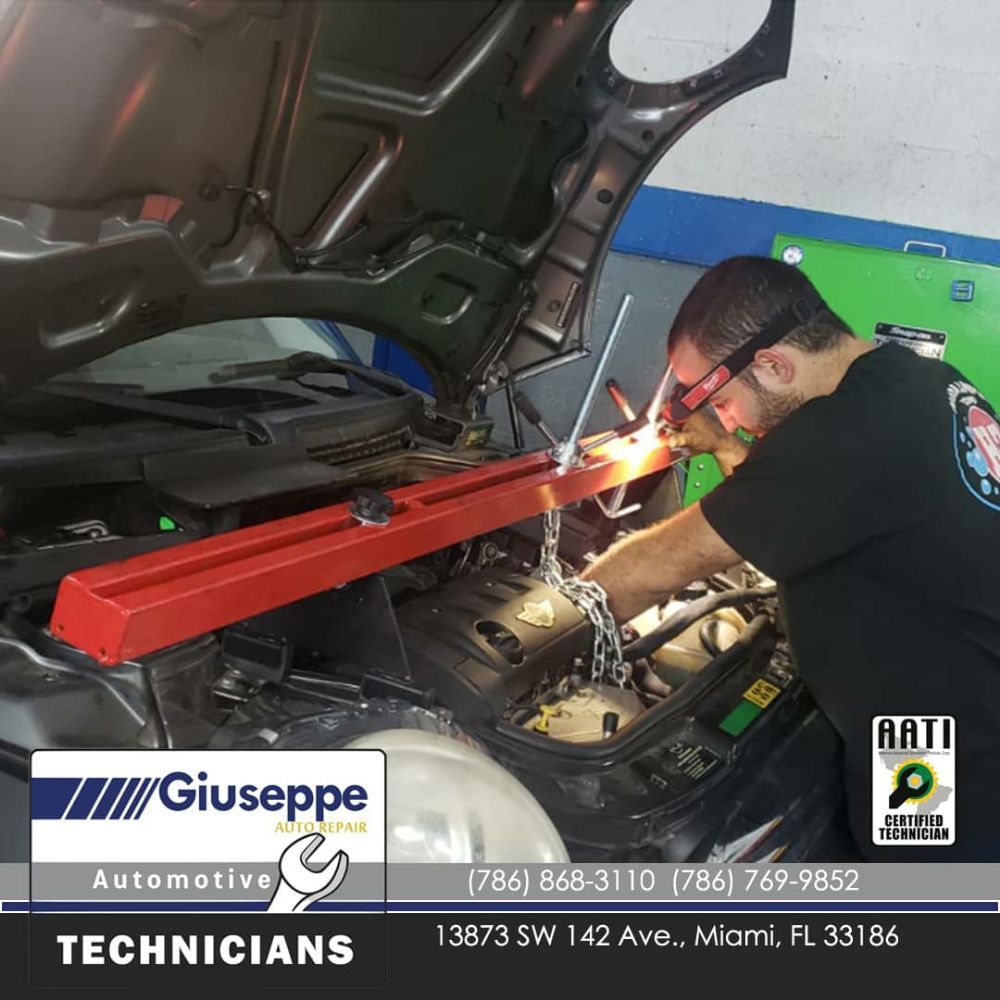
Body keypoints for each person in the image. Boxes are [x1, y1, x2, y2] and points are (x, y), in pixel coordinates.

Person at [580, 255, 1000, 860]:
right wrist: (725, 445)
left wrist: (559, 617)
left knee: (920, 891)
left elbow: (655, 569)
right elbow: (809, 500)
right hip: (944, 710)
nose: (724, 417)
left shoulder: (849, 429)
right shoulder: (913, 382)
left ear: (773, 366)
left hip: (939, 753)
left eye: (720, 400)